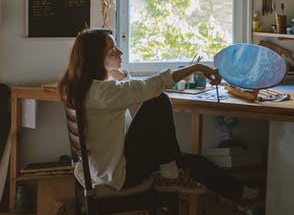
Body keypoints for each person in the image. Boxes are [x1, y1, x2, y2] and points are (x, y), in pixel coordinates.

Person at [58, 28, 258, 203]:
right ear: (96, 59)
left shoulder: (85, 88)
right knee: (159, 100)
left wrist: (122, 76)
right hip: (119, 175)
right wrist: (196, 68)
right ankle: (177, 177)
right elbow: (149, 88)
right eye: (112, 50)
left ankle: (240, 194)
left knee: (189, 161)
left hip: (103, 169)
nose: (120, 52)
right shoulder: (104, 93)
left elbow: (132, 91)